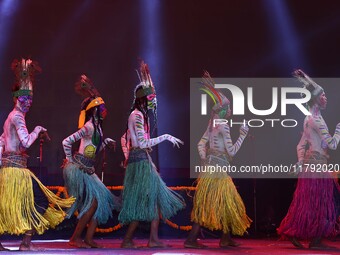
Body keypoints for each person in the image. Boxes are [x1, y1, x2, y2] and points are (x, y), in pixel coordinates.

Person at [0, 58, 75, 251]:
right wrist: (38, 129)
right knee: (41, 201)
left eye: (31, 98)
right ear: (16, 97)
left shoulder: (10, 117)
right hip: (16, 172)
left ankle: (20, 243)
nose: (28, 103)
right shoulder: (17, 117)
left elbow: (2, 142)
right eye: (25, 98)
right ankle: (25, 243)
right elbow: (25, 141)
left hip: (10, 171)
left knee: (6, 206)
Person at [119, 61, 185, 248]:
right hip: (139, 161)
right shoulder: (137, 116)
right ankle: (129, 240)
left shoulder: (141, 115)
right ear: (143, 98)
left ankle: (151, 239)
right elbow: (141, 143)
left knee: (153, 199)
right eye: (151, 97)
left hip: (142, 160)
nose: (154, 100)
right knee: (143, 200)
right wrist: (165, 137)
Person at [184, 71, 251, 248]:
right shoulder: (223, 125)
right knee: (224, 202)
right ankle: (193, 240)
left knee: (222, 203)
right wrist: (243, 135)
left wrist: (205, 158)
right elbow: (232, 152)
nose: (230, 110)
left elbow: (200, 144)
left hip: (211, 170)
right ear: (223, 110)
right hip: (219, 171)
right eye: (228, 108)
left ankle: (224, 238)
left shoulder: (212, 124)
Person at [277, 69, 340, 249]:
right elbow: (333, 144)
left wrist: (300, 162)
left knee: (309, 204)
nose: (326, 98)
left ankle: (298, 233)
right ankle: (315, 241)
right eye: (323, 95)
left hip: (311, 168)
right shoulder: (317, 121)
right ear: (315, 99)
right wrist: (338, 130)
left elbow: (300, 145)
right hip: (317, 169)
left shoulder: (308, 119)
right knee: (326, 203)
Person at [62, 74, 120, 248]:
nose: (104, 110)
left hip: (89, 168)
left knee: (99, 201)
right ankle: (75, 238)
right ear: (94, 110)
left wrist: (105, 143)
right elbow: (66, 141)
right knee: (94, 202)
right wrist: (70, 160)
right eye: (101, 107)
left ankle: (88, 238)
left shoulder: (97, 128)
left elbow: (92, 150)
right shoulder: (88, 126)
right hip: (81, 168)